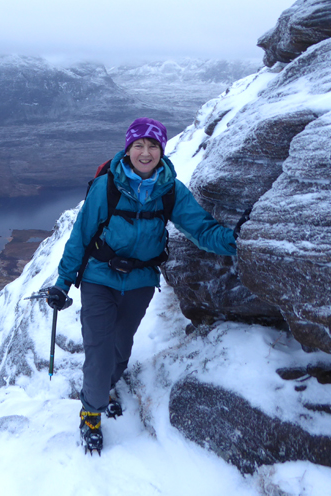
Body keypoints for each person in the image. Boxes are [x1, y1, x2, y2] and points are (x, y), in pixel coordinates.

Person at [45, 117, 246, 455]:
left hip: (139, 282)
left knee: (121, 348)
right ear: (128, 149)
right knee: (99, 348)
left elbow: (201, 229)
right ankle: (91, 413)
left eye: (152, 145)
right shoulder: (106, 187)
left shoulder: (170, 190)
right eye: (138, 145)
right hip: (99, 278)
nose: (145, 151)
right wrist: (62, 284)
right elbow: (79, 237)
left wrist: (235, 240)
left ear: (161, 151)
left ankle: (106, 387)